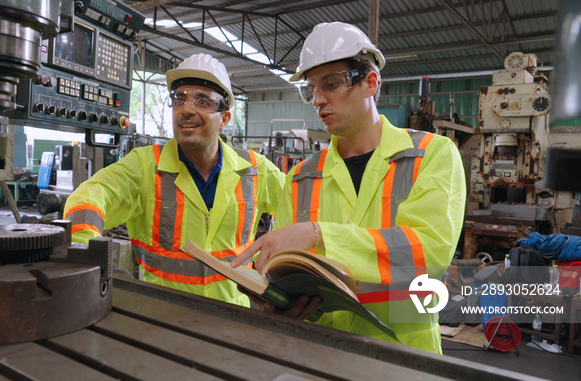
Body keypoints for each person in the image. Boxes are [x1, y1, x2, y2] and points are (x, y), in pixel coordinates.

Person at [231, 22, 466, 354]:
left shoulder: (432, 155)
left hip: (404, 355)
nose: (317, 99)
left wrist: (319, 235)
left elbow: (429, 254)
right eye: (311, 88)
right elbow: (287, 269)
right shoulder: (300, 178)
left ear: (370, 83)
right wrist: (271, 297)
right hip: (321, 350)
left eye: (331, 84)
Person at [64, 53, 286, 306]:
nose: (187, 109)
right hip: (163, 318)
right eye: (179, 99)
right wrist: (89, 257)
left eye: (203, 101)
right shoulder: (145, 167)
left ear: (224, 118)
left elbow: (300, 213)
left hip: (235, 318)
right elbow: (89, 197)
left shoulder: (256, 170)